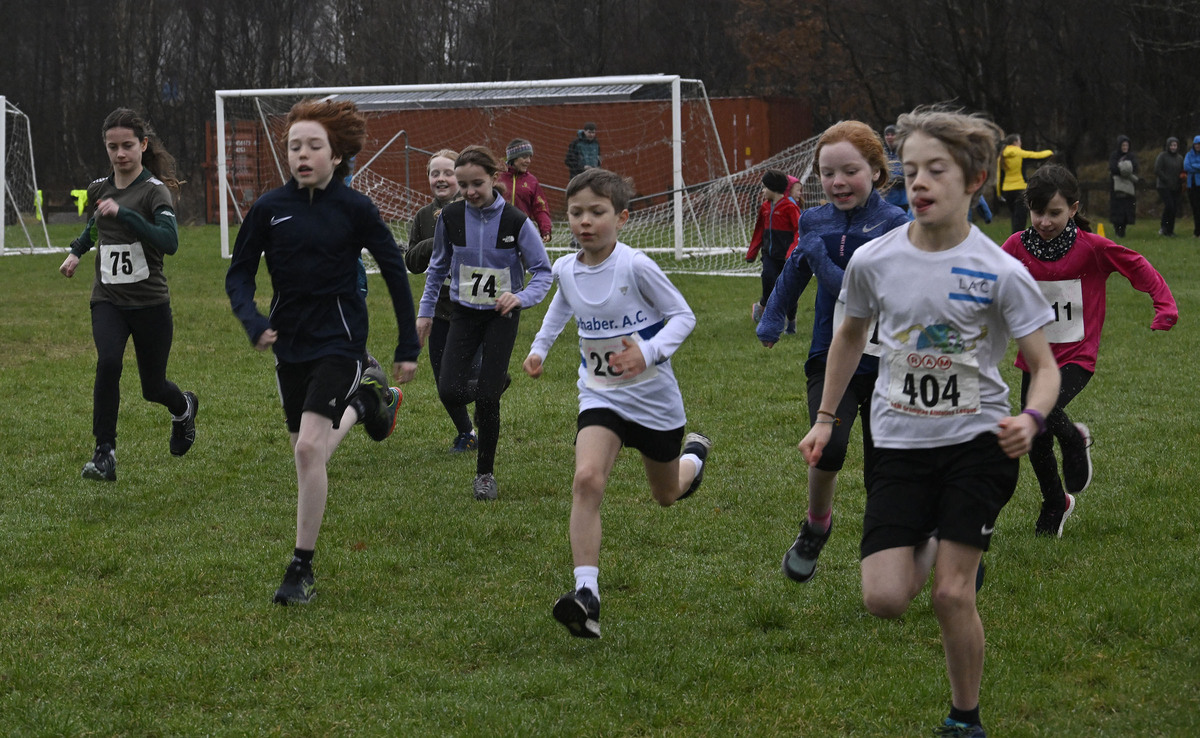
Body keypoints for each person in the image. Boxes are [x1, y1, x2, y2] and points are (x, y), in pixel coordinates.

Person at [800, 107, 1061, 738]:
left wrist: (1032, 416)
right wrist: (827, 417)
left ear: (973, 180)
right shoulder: (874, 260)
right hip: (897, 442)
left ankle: (964, 717)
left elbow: (1044, 366)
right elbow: (848, 337)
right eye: (911, 170)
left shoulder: (1002, 272)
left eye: (935, 170)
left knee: (950, 594)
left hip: (980, 441)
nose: (918, 183)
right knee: (884, 599)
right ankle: (946, 533)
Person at [225, 99, 420, 605]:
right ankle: (367, 405)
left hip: (340, 342)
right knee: (308, 452)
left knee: (309, 449)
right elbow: (240, 273)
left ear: (336, 156)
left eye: (315, 146)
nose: (303, 154)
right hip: (289, 345)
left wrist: (407, 340)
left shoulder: (354, 208)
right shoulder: (269, 208)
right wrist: (252, 320)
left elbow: (394, 270)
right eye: (295, 147)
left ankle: (300, 569)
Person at [522, 168, 711, 639]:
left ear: (622, 218)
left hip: (654, 401)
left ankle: (693, 457)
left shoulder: (636, 265)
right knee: (587, 479)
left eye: (597, 212)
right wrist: (539, 349)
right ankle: (586, 594)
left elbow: (683, 315)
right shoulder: (566, 268)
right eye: (577, 213)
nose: (585, 222)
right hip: (601, 395)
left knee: (666, 495)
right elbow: (562, 306)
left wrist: (646, 352)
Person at [757, 120, 908, 584]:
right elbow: (794, 269)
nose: (837, 182)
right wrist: (773, 316)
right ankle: (815, 526)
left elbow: (858, 291)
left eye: (849, 171)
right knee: (828, 448)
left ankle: (886, 549)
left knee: (882, 464)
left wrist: (822, 259)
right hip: (830, 356)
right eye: (827, 173)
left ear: (877, 172)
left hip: (887, 360)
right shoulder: (813, 219)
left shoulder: (896, 225)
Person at [1002, 164, 1177, 537]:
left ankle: (1074, 439)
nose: (1045, 221)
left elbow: (1138, 266)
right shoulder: (1016, 246)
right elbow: (987, 279)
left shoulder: (1091, 247)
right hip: (1034, 356)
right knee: (1035, 436)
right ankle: (1056, 504)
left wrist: (1165, 306)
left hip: (1076, 355)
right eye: (1037, 212)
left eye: (1055, 213)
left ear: (1073, 208)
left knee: (1043, 413)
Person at [58, 107, 197, 482]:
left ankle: (183, 407)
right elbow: (95, 224)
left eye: (128, 146)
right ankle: (104, 454)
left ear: (143, 145)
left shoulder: (155, 192)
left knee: (153, 388)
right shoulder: (100, 188)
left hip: (150, 304)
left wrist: (127, 215)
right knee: (108, 364)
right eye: (113, 146)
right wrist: (76, 250)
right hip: (108, 300)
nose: (120, 153)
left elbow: (169, 242)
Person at [416, 145, 552, 501]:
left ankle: (485, 475)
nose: (470, 191)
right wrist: (425, 312)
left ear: (494, 178)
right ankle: (495, 383)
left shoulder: (515, 222)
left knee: (488, 402)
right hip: (462, 313)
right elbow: (437, 267)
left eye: (477, 183)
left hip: (500, 316)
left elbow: (542, 273)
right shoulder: (450, 217)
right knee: (448, 390)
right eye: (463, 185)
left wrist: (520, 297)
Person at [405, 148, 477, 453]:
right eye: (435, 173)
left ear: (460, 177)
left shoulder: (476, 209)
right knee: (445, 384)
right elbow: (412, 262)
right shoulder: (423, 216)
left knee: (470, 375)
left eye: (448, 173)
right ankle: (467, 433)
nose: (441, 178)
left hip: (474, 310)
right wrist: (435, 243)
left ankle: (491, 384)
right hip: (438, 312)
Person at [746, 169, 800, 333]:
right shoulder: (764, 208)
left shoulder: (790, 207)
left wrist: (792, 252)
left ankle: (791, 321)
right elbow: (758, 231)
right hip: (769, 256)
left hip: (786, 258)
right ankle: (765, 309)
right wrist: (752, 253)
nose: (762, 191)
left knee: (788, 290)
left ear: (773, 188)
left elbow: (799, 230)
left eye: (764, 187)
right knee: (768, 279)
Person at [497, 138, 553, 243]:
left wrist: (545, 229)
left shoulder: (532, 181)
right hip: (497, 231)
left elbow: (540, 208)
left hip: (522, 231)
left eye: (530, 157)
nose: (528, 161)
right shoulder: (496, 177)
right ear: (513, 159)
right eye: (524, 157)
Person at [996, 133, 1054, 233]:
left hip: (1007, 190)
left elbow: (999, 177)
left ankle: (1013, 240)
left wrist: (999, 193)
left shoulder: (1001, 156)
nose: (1020, 143)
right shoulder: (1020, 153)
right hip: (1020, 190)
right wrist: (1050, 152)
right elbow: (1038, 156)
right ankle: (1018, 240)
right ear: (1015, 142)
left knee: (1014, 217)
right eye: (1019, 141)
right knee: (1020, 219)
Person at [1108, 135, 1138, 239]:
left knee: (1127, 209)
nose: (1125, 147)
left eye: (1127, 145)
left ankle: (1123, 231)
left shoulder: (1131, 156)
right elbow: (1113, 168)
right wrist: (1125, 169)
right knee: (1117, 210)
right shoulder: (1114, 155)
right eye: (1123, 145)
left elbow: (1135, 167)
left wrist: (1122, 168)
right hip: (1116, 188)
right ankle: (1117, 230)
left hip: (1128, 187)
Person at [1153, 137, 1184, 237]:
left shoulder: (1180, 158)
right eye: (1171, 145)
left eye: (1175, 145)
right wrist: (1166, 180)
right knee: (1169, 206)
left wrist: (1182, 180)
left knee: (1174, 208)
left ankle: (1170, 230)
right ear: (1168, 146)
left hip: (1176, 187)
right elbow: (1157, 170)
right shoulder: (1162, 156)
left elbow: (1182, 171)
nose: (1173, 147)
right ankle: (1164, 227)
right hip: (1163, 186)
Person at [882, 124, 908, 211]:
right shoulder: (882, 153)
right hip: (889, 198)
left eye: (892, 134)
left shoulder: (904, 151)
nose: (889, 137)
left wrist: (903, 179)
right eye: (887, 135)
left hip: (905, 198)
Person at [1183, 135, 1200, 237]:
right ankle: (1197, 231)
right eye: (1196, 144)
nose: (1198, 146)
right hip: (1192, 186)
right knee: (1195, 209)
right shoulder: (1189, 155)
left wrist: (1193, 166)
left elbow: (1190, 166)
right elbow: (1186, 166)